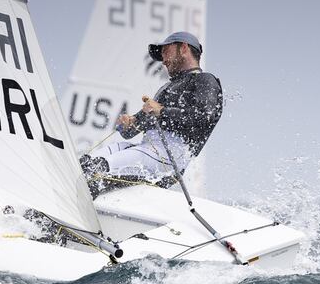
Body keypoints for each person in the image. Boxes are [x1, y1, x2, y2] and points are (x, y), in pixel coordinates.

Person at [80, 32, 223, 197]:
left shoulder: (205, 80)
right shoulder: (166, 89)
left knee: (96, 170)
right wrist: (129, 123)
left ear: (183, 48)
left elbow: (205, 116)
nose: (163, 60)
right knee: (83, 165)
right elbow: (130, 132)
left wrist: (161, 111)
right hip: (147, 148)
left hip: (170, 159)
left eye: (166, 51)